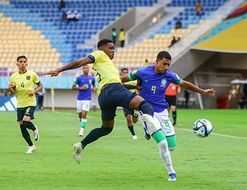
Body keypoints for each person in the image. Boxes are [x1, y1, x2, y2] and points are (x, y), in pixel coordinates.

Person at [45, 39, 177, 182]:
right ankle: (148, 126)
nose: (113, 50)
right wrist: (59, 70)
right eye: (111, 48)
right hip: (113, 90)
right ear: (102, 49)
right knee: (144, 105)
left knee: (106, 128)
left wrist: (136, 87)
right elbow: (81, 62)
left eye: (114, 48)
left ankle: (81, 145)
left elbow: (119, 84)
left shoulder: (107, 66)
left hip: (104, 97)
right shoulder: (100, 55)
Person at [121, 51, 216, 178]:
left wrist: (202, 91)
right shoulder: (142, 72)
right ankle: (172, 172)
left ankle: (148, 130)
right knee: (162, 143)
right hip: (147, 111)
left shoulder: (169, 75)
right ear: (157, 61)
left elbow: (184, 84)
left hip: (163, 112)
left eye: (168, 65)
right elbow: (121, 80)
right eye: (164, 64)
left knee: (171, 147)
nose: (166, 67)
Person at [8, 56, 42, 154]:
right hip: (20, 104)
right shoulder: (13, 76)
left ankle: (34, 128)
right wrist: (10, 88)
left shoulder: (32, 74)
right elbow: (12, 93)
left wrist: (34, 91)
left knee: (26, 121)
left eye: (24, 62)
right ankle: (31, 146)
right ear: (17, 64)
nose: (22, 63)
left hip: (30, 102)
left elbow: (40, 85)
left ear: (27, 64)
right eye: (20, 62)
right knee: (22, 126)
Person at [72, 65, 96, 136]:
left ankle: (81, 130)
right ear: (82, 70)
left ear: (89, 69)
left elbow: (94, 85)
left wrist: (94, 88)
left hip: (87, 99)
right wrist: (81, 88)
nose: (86, 69)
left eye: (87, 68)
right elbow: (73, 87)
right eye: (84, 68)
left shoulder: (92, 78)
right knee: (79, 114)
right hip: (79, 99)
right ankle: (82, 124)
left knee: (83, 114)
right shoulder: (78, 78)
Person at [120, 68, 138, 140]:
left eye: (126, 72)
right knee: (128, 118)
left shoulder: (133, 81)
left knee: (135, 121)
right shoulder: (119, 82)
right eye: (123, 72)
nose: (125, 73)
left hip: (135, 102)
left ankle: (137, 114)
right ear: (121, 74)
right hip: (125, 103)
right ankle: (133, 134)